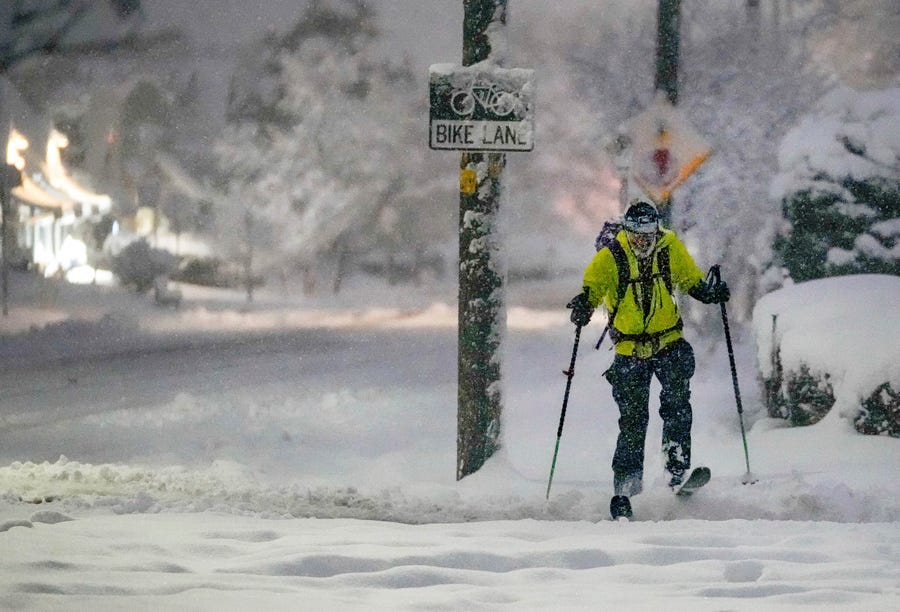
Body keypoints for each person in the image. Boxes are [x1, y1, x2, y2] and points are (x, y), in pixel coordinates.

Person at [567, 198, 729, 519]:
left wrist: (709, 293)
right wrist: (584, 306)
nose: (644, 241)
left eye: (649, 235)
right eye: (638, 235)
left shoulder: (670, 248)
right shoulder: (609, 258)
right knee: (633, 419)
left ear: (657, 231)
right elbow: (592, 290)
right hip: (629, 351)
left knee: (677, 408)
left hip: (669, 342)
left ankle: (676, 471)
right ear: (627, 232)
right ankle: (627, 484)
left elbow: (690, 280)